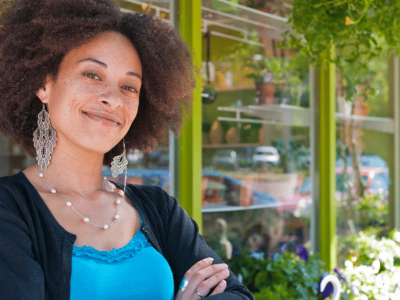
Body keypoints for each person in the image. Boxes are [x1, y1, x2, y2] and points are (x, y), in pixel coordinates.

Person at [0, 0, 254, 299]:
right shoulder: (9, 210)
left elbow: (235, 294)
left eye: (129, 87)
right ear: (44, 84)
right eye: (92, 75)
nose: (113, 99)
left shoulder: (159, 209)